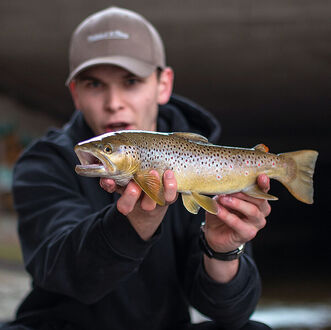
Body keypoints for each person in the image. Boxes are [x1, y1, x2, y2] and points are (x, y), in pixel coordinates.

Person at [3, 7, 271, 330]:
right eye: (94, 84)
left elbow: (231, 313)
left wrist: (222, 252)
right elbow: (64, 274)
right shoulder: (43, 162)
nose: (114, 101)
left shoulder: (205, 163)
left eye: (131, 81)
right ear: (75, 93)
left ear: (163, 83)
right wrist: (133, 225)